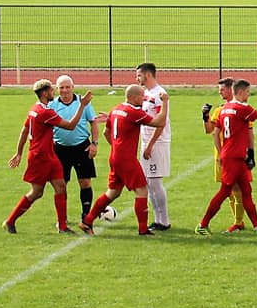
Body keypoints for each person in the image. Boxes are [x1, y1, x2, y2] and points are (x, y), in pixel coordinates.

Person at [4, 79, 93, 234]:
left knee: (61, 186)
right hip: (40, 157)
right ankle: (10, 221)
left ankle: (63, 227)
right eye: (52, 90)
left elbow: (24, 131)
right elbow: (71, 126)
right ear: (45, 93)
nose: (54, 92)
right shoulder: (46, 113)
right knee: (37, 192)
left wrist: (19, 152)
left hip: (50, 156)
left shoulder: (34, 109)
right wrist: (82, 105)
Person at [81, 84, 167, 236]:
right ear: (133, 98)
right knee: (142, 190)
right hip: (126, 159)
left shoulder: (116, 109)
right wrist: (165, 102)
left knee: (113, 193)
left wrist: (117, 148)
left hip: (115, 156)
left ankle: (87, 221)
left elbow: (107, 132)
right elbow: (159, 122)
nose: (144, 99)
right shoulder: (134, 112)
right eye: (142, 96)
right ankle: (143, 229)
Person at [195, 81, 257, 234]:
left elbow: (215, 131)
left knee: (246, 190)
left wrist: (222, 152)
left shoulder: (225, 109)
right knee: (225, 191)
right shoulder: (242, 108)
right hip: (235, 157)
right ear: (242, 92)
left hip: (232, 155)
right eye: (248, 91)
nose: (249, 94)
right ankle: (202, 224)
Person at [201, 77, 251, 233]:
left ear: (231, 89)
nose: (219, 92)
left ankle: (238, 222)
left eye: (222, 89)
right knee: (229, 190)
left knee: (235, 189)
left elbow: (249, 131)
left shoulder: (241, 108)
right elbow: (209, 130)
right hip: (222, 155)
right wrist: (205, 116)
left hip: (233, 155)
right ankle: (239, 221)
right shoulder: (220, 109)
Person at [50, 74, 99, 224]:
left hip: (81, 148)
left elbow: (93, 122)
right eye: (61, 88)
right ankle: (62, 218)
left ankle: (86, 215)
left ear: (73, 87)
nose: (65, 90)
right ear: (57, 89)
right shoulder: (52, 105)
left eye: (67, 87)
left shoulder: (82, 102)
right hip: (60, 149)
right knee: (61, 185)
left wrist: (94, 143)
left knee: (85, 182)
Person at [136, 62, 171, 231]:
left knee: (155, 181)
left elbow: (161, 123)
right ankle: (158, 219)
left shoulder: (160, 94)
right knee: (148, 182)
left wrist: (150, 145)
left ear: (147, 75)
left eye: (139, 75)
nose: (137, 78)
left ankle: (163, 220)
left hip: (157, 143)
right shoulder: (146, 93)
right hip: (147, 141)